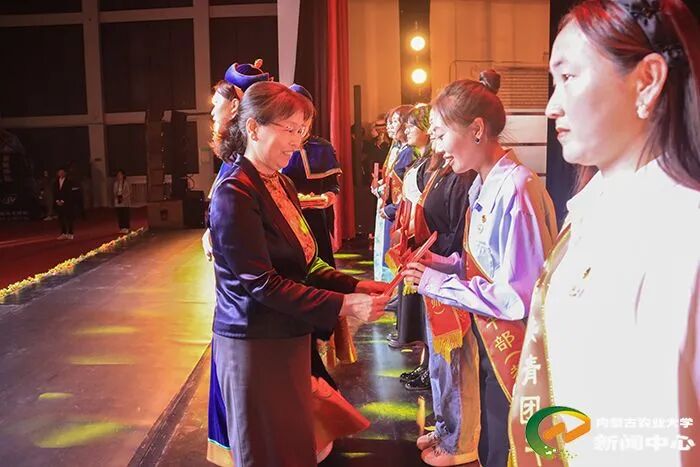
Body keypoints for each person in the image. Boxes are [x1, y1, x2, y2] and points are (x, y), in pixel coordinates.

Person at [508, 1, 700, 466]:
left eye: (568, 77)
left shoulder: (680, 232)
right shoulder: (593, 205)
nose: (552, 106)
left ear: (647, 80)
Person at [207, 81, 388, 467]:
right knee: (266, 451)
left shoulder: (282, 183)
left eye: (302, 130)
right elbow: (262, 283)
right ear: (253, 128)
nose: (297, 141)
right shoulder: (234, 192)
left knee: (292, 446)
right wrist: (344, 305)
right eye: (289, 129)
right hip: (254, 344)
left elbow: (305, 263)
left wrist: (353, 285)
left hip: (287, 338)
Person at [402, 71, 558, 466]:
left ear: (476, 130)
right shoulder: (483, 184)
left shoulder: (517, 189)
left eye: (440, 134)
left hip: (513, 346)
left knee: (505, 447)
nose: (436, 146)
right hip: (490, 342)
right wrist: (442, 265)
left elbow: (517, 295)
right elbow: (486, 267)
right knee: (492, 442)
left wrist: (438, 283)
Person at [372, 105, 412, 283]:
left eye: (394, 122)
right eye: (389, 122)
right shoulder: (398, 149)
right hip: (388, 206)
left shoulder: (410, 152)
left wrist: (391, 208)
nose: (390, 126)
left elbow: (407, 187)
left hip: (397, 210)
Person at [53, 168, 74, 240]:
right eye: (60, 172)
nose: (61, 173)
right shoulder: (55, 182)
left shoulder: (69, 181)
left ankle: (70, 233)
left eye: (62, 172)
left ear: (65, 173)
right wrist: (57, 201)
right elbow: (55, 192)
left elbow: (69, 193)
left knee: (69, 218)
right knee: (61, 218)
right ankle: (63, 233)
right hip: (58, 203)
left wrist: (63, 201)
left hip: (67, 203)